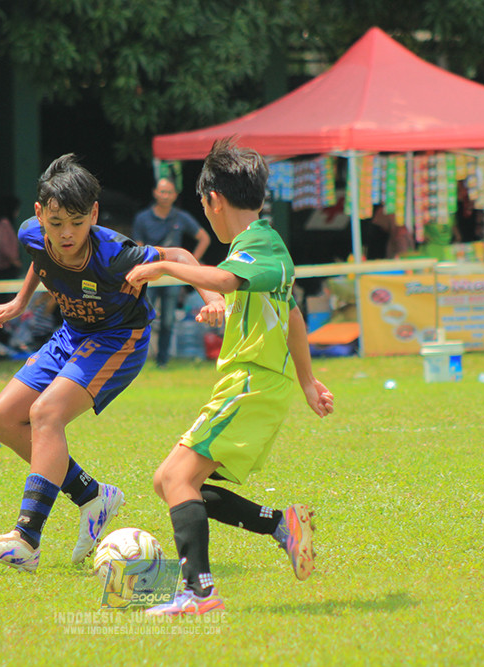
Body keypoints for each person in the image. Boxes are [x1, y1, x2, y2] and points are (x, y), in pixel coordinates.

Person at [0, 154, 224, 572]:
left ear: (95, 214)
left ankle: (26, 539)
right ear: (39, 215)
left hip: (118, 339)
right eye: (56, 223)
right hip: (72, 333)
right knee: (0, 417)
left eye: (77, 222)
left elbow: (180, 255)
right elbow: (40, 257)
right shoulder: (32, 232)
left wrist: (213, 299)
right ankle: (92, 495)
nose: (66, 234)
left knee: (45, 414)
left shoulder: (115, 254)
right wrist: (19, 301)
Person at [124, 139, 335, 616]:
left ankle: (199, 594)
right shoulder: (258, 247)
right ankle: (280, 525)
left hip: (251, 385)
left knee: (176, 477)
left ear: (213, 200)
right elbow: (291, 315)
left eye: (204, 206)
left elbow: (223, 280)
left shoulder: (260, 243)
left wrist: (163, 266)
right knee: (169, 481)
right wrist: (306, 382)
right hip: (249, 385)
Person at [132, 177, 212, 366]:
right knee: (143, 318)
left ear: (175, 195)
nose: (165, 196)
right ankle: (137, 360)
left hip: (173, 277)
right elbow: (138, 247)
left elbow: (204, 238)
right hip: (150, 276)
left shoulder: (181, 217)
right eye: (162, 191)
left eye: (169, 192)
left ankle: (163, 361)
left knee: (168, 320)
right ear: (155, 193)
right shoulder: (142, 218)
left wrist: (190, 263)